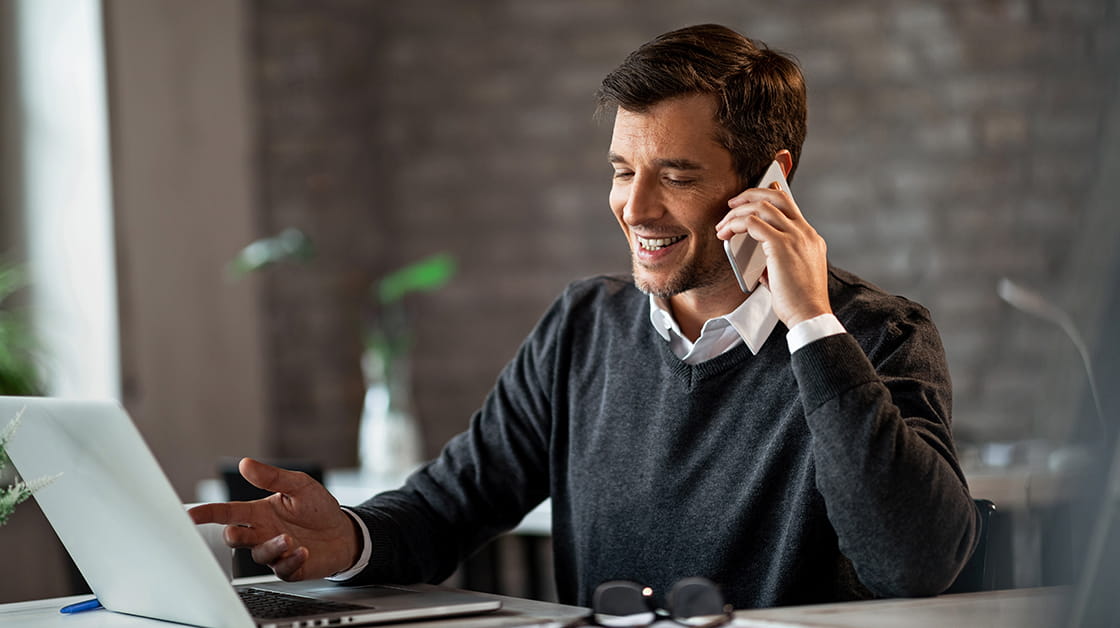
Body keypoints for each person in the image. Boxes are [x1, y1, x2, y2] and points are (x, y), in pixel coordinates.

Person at [190, 24, 979, 610]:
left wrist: (810, 322)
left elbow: (912, 564)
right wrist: (349, 539)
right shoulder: (581, 328)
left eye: (674, 174)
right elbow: (447, 506)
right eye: (621, 170)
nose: (634, 207)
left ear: (771, 180)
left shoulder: (875, 336)